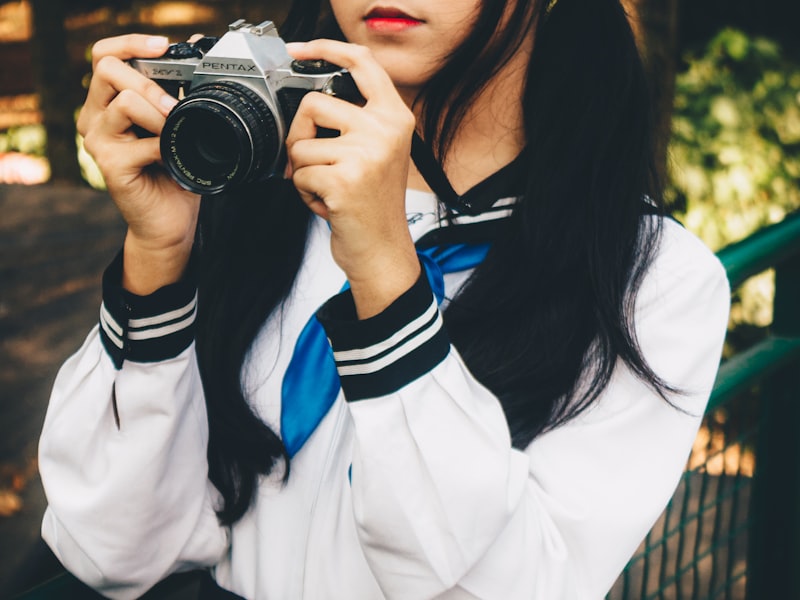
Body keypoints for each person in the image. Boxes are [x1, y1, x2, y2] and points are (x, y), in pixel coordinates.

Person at [37, 0, 730, 598]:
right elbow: (112, 552)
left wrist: (386, 276)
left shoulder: (654, 280)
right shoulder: (250, 194)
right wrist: (157, 260)